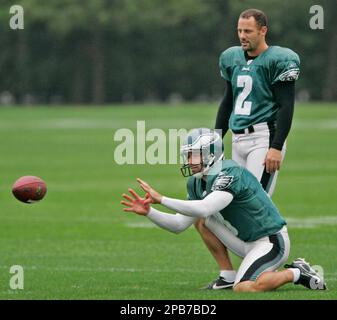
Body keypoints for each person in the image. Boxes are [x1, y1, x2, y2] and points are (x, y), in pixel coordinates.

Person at [121, 129, 326, 292]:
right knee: (201, 220)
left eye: (194, 154)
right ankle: (228, 275)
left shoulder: (229, 173)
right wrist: (149, 212)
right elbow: (178, 225)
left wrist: (162, 199)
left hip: (270, 241)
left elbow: (206, 207)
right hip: (247, 242)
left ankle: (297, 273)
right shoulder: (196, 182)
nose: (189, 160)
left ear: (211, 154)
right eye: (188, 154)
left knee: (244, 288)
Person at [194, 8, 301, 289]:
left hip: (264, 139)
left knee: (252, 205)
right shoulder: (231, 58)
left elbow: (286, 107)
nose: (242, 36)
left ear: (263, 30)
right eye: (240, 31)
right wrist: (215, 142)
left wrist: (276, 146)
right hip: (238, 140)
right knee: (211, 213)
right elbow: (227, 102)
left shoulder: (278, 59)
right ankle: (228, 275)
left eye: (248, 31)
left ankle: (270, 262)